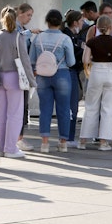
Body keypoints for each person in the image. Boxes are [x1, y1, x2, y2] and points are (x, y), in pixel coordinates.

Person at [29, 9, 76, 154]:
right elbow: (72, 61)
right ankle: (63, 143)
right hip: (61, 74)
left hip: (42, 75)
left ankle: (44, 143)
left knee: (45, 109)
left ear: (47, 21)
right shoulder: (65, 39)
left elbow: (31, 59)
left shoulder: (38, 38)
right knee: (63, 109)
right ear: (61, 22)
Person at [0, 7, 34, 160]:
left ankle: (0, 147)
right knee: (15, 114)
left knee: (1, 114)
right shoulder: (19, 36)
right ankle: (10, 148)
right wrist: (31, 80)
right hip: (15, 77)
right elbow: (25, 60)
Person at [80, 14, 112, 151]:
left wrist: (94, 57)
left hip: (96, 73)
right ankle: (103, 142)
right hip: (111, 74)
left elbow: (85, 60)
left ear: (97, 27)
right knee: (108, 108)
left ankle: (83, 141)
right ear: (110, 27)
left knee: (91, 106)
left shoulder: (92, 42)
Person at [61, 10, 85, 146]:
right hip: (70, 72)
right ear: (75, 22)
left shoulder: (72, 36)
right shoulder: (68, 36)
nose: (82, 24)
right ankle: (68, 137)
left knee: (68, 106)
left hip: (69, 73)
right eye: (81, 21)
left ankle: (67, 136)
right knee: (71, 107)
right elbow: (75, 54)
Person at [15, 3, 36, 152]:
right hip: (19, 70)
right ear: (19, 13)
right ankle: (18, 138)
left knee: (19, 106)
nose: (29, 18)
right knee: (21, 106)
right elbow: (18, 41)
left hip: (18, 70)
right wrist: (30, 32)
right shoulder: (20, 31)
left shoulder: (21, 30)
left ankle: (16, 137)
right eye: (28, 15)